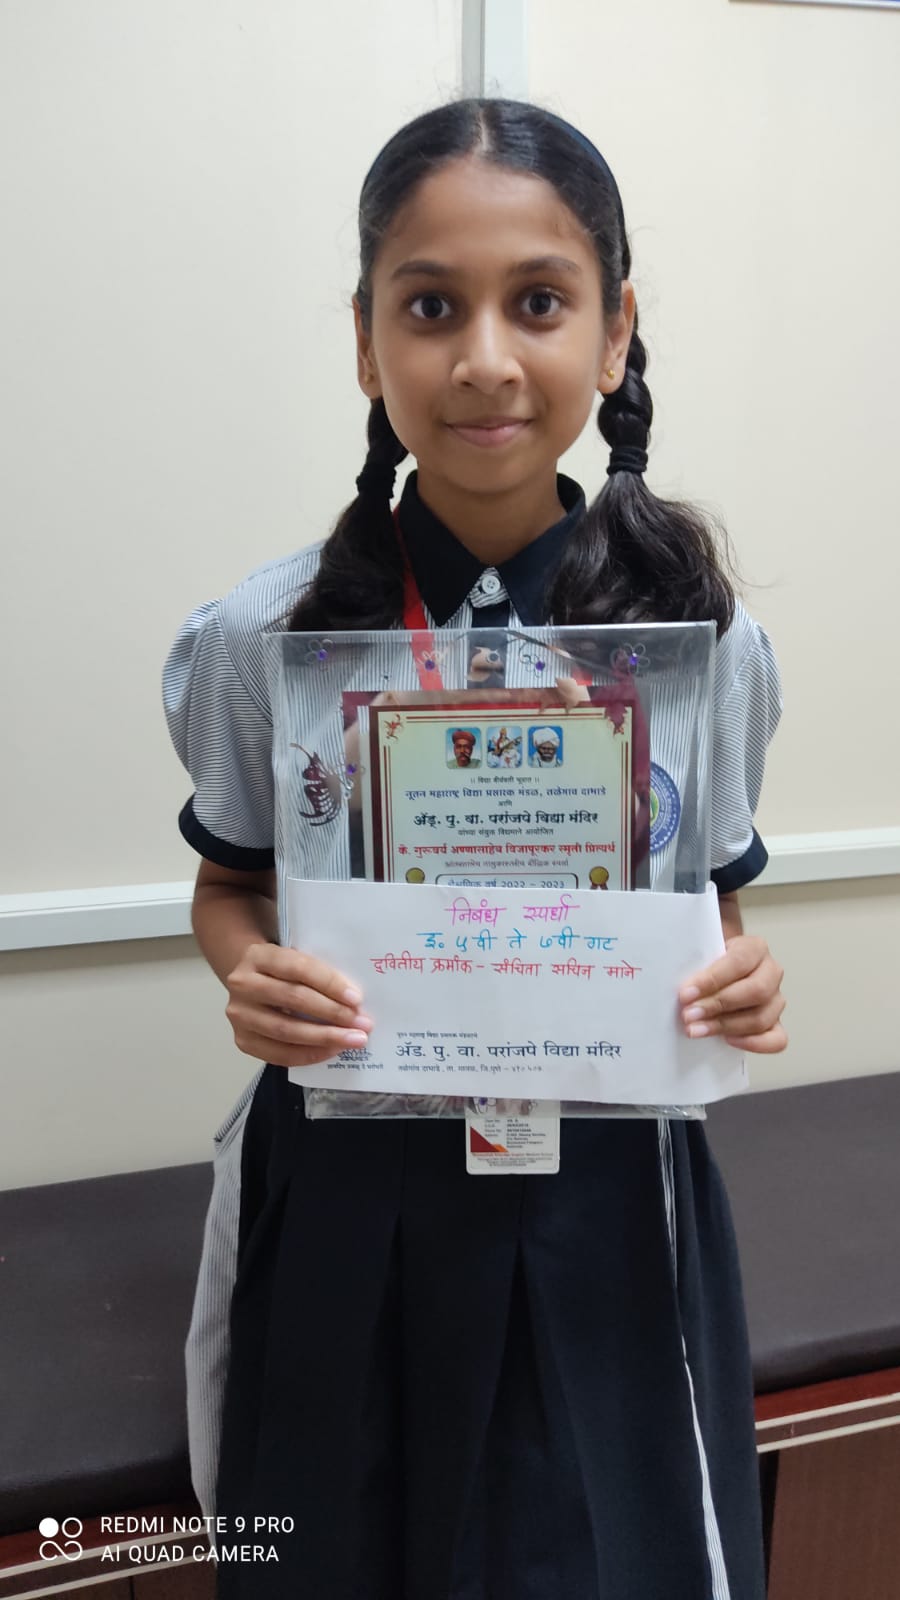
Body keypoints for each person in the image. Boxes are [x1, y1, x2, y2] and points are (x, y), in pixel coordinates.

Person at [163, 97, 786, 1600]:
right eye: (432, 306)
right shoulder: (263, 638)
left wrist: (744, 981)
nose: (486, 360)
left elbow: (711, 913)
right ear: (366, 341)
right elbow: (230, 887)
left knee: (614, 1551)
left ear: (615, 333)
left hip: (609, 1191)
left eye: (542, 303)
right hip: (348, 1187)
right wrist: (251, 975)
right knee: (335, 1549)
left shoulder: (703, 648)